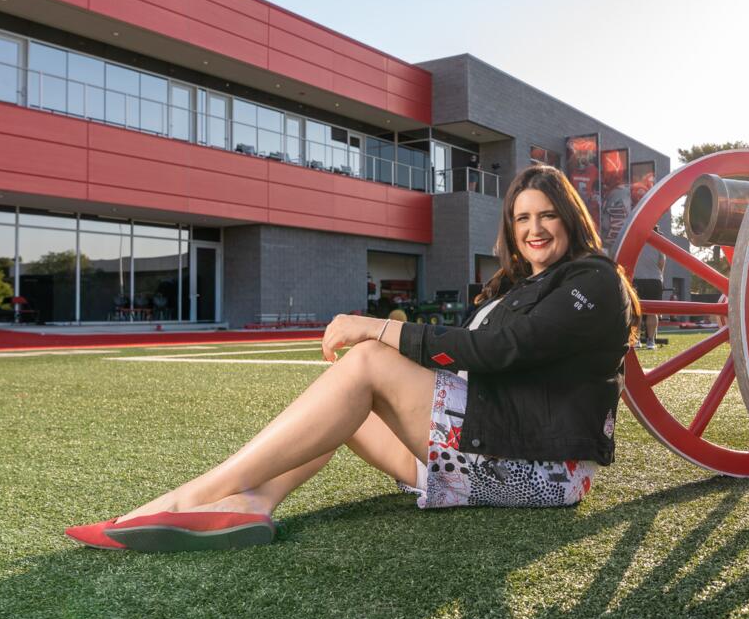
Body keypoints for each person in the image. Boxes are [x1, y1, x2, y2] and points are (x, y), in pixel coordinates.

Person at [66, 165, 640, 552]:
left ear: (569, 217)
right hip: (489, 448)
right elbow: (466, 360)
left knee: (366, 363)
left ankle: (189, 498)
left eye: (546, 215)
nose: (534, 228)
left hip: (542, 470)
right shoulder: (513, 288)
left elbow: (495, 352)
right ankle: (252, 502)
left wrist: (377, 329)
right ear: (510, 230)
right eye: (522, 218)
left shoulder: (592, 280)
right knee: (351, 400)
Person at [632, 232, 666, 350]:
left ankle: (636, 339)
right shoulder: (658, 244)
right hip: (654, 280)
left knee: (637, 312)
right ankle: (650, 341)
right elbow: (661, 263)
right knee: (653, 312)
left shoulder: (636, 241)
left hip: (637, 279)